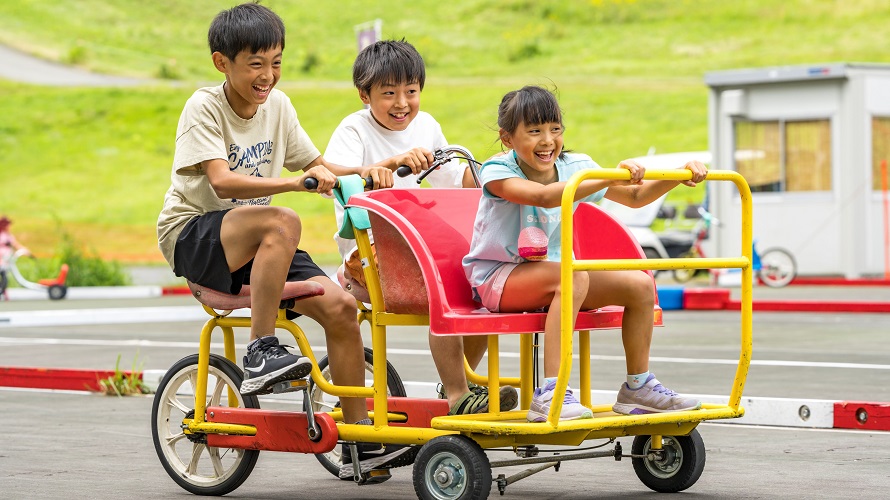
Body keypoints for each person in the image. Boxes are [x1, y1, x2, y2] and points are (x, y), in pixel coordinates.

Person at [155, 2, 408, 478]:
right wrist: (293, 185)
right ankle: (260, 349)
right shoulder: (203, 106)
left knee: (341, 307)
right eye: (255, 64)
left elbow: (319, 166)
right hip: (194, 232)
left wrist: (375, 170)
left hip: (260, 237)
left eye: (276, 62)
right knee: (283, 219)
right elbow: (223, 184)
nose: (268, 75)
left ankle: (359, 439)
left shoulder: (280, 106)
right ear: (221, 62)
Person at [462, 85, 706, 422]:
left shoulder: (577, 166)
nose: (547, 140)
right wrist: (598, 177)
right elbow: (545, 196)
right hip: (500, 278)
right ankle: (552, 392)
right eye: (534, 131)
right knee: (572, 275)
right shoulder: (497, 171)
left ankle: (638, 386)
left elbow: (634, 196)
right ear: (508, 139)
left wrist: (680, 175)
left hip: (555, 276)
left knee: (639, 284)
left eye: (555, 129)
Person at [323, 39, 518, 416]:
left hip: (418, 246)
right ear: (364, 94)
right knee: (442, 291)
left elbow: (456, 178)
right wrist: (379, 167)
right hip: (369, 252)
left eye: (411, 92)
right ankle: (460, 397)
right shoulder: (354, 130)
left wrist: (497, 169)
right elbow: (332, 175)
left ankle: (460, 384)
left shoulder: (426, 125)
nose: (401, 103)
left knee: (492, 287)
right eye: (389, 93)